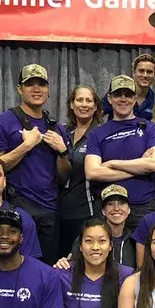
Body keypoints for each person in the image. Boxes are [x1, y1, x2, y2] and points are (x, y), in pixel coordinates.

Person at [0, 63, 71, 265]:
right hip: (17, 207)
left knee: (47, 270)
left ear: (48, 89)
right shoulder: (5, 121)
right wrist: (26, 145)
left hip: (50, 210)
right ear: (19, 89)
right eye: (30, 84)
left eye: (41, 84)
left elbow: (64, 176)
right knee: (15, 267)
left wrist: (62, 152)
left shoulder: (56, 127)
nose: (36, 89)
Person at [85, 75, 155, 231]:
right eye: (118, 94)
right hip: (108, 207)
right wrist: (139, 167)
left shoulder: (151, 128)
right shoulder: (97, 133)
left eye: (128, 95)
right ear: (109, 98)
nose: (123, 99)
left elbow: (154, 164)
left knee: (145, 254)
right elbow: (92, 172)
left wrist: (112, 164)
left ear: (135, 98)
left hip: (142, 206)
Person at [59, 85, 104, 256]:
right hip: (59, 210)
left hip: (88, 210)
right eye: (79, 100)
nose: (84, 104)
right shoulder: (62, 132)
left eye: (89, 100)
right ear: (71, 104)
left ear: (95, 106)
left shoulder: (101, 133)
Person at [54, 185, 137, 271]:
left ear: (129, 210)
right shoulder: (87, 237)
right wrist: (63, 264)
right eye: (110, 204)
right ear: (103, 211)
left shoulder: (134, 241)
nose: (116, 208)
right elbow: (73, 266)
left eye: (121, 203)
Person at [102, 53, 155, 121]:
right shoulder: (116, 94)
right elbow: (97, 114)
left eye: (149, 72)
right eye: (141, 71)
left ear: (154, 76)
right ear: (134, 73)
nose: (145, 75)